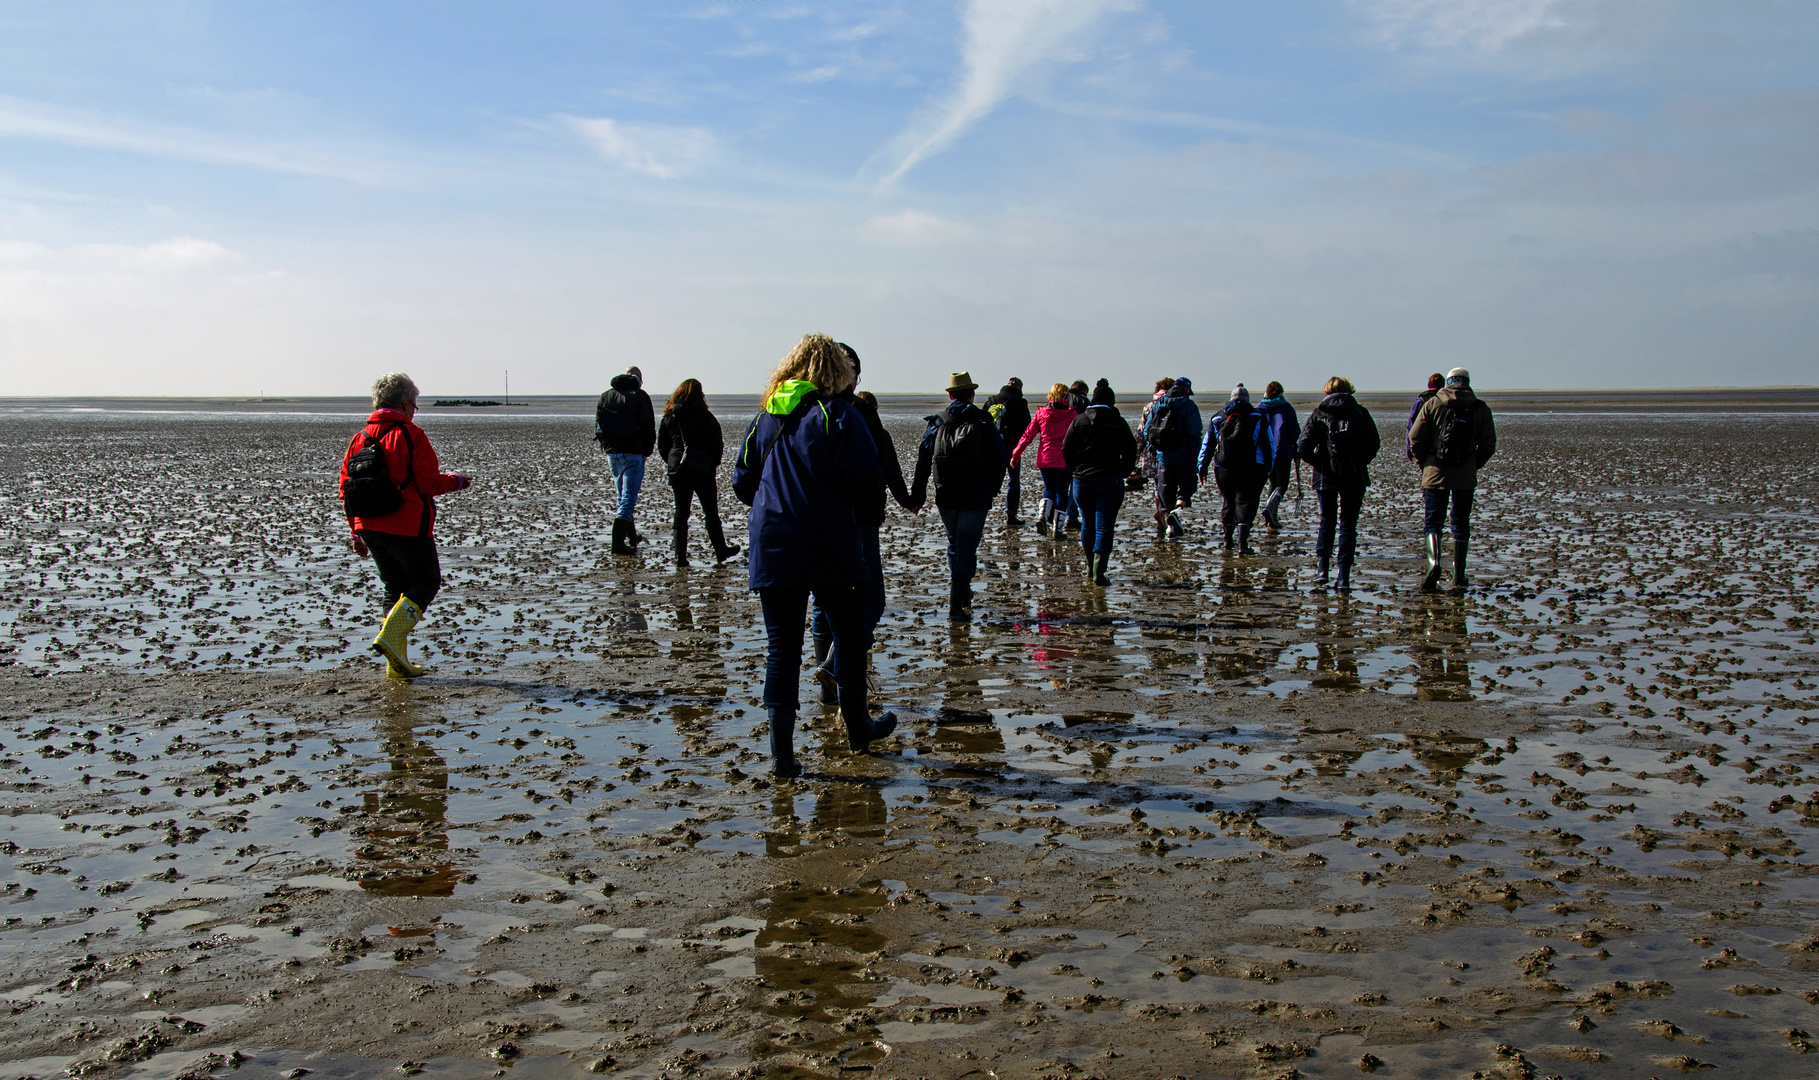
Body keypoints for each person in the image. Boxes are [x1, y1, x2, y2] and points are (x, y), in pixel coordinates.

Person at [732, 333, 895, 778]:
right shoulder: (838, 413)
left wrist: (777, 505)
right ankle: (858, 729)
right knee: (847, 634)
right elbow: (865, 479)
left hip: (774, 541)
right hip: (828, 541)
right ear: (837, 371)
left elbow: (743, 481)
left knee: (782, 648)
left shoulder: (768, 414)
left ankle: (782, 757)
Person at [339, 373, 473, 678]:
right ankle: (391, 640)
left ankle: (395, 661)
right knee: (426, 582)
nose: (415, 409)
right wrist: (457, 481)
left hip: (370, 527)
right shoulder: (412, 435)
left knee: (395, 588)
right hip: (407, 525)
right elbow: (427, 483)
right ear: (403, 403)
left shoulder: (359, 438)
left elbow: (346, 488)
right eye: (414, 403)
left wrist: (355, 530)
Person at [810, 346, 914, 704]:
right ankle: (834, 665)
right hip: (856, 522)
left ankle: (829, 692)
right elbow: (876, 471)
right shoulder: (860, 414)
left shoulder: (804, 409)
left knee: (823, 604)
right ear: (850, 375)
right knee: (871, 600)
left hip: (815, 522)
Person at [909, 371, 1011, 622]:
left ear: (951, 394)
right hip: (976, 496)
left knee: (955, 545)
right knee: (967, 548)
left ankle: (962, 595)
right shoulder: (983, 420)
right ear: (972, 394)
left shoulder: (937, 421)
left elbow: (923, 459)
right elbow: (1000, 458)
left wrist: (917, 496)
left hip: (946, 495)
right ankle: (956, 607)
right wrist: (993, 488)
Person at [1407, 367, 1497, 594]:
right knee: (1460, 522)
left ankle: (1434, 565)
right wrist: (1474, 463)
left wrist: (1423, 463)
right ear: (1467, 382)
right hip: (1465, 475)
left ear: (1448, 382)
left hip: (1435, 472)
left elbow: (1415, 437)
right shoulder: (1480, 408)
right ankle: (1459, 574)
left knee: (1433, 522)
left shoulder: (1433, 404)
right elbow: (1488, 444)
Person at [1296, 377, 1381, 590]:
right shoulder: (1360, 413)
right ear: (1348, 391)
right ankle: (1344, 576)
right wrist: (1360, 460)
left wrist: (1318, 463)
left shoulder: (1319, 414)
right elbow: (1373, 444)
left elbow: (1303, 447)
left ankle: (1322, 570)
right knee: (1348, 525)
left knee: (1327, 521)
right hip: (1354, 475)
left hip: (1326, 476)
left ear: (1327, 391)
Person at [657, 378, 741, 568]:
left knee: (680, 514)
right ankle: (721, 550)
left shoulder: (669, 417)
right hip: (702, 469)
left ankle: (680, 557)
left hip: (678, 470)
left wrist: (672, 463)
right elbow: (716, 443)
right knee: (711, 513)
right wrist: (713, 464)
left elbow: (662, 446)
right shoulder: (704, 416)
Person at [1062, 379, 1138, 586]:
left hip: (1082, 481)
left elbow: (1066, 449)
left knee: (1087, 523)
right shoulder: (1117, 421)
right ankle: (1098, 572)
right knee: (1104, 526)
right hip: (1110, 480)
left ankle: (1090, 567)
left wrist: (1074, 470)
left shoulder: (1079, 420)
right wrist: (1124, 471)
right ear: (1111, 402)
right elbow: (1131, 450)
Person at [1198, 383, 1270, 554]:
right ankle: (1243, 543)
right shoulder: (1258, 417)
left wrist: (1202, 468)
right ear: (1248, 399)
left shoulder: (1218, 418)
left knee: (1228, 501)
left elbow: (1207, 445)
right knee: (1246, 501)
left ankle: (1227, 540)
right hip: (1251, 467)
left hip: (1223, 468)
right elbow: (1268, 445)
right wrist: (1268, 467)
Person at [595, 366, 657, 555]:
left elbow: (599, 426)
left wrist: (606, 447)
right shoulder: (640, 396)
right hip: (633, 453)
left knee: (622, 497)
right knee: (628, 499)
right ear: (638, 379)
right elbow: (649, 426)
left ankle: (631, 536)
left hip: (613, 454)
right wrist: (647, 451)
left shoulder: (606, 395)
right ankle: (618, 544)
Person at [1010, 383, 1080, 537]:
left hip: (1046, 458)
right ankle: (1057, 529)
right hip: (1063, 459)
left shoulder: (1041, 413)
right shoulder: (1071, 414)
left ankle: (1042, 516)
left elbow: (1028, 435)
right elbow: (1076, 439)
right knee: (1062, 493)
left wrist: (1016, 454)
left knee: (1049, 489)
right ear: (1065, 397)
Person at [1141, 377, 1203, 540]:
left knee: (1165, 492)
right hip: (1184, 457)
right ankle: (1178, 512)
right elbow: (1195, 434)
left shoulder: (1159, 405)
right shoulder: (1189, 406)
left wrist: (1155, 451)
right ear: (1187, 390)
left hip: (1164, 458)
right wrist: (1195, 455)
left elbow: (1147, 430)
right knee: (1187, 488)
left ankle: (1170, 527)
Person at [985, 378, 1032, 528]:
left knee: (989, 480)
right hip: (1012, 449)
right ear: (1019, 388)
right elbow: (1027, 426)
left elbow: (983, 422)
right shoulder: (1021, 403)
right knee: (1013, 480)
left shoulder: (992, 401)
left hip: (993, 448)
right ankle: (1011, 515)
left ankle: (983, 510)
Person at [1257, 381, 1301, 534]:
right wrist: (1296, 451)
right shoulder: (1286, 407)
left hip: (1265, 453)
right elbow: (1294, 431)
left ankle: (1272, 518)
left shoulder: (1259, 408)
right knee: (1281, 485)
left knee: (1273, 483)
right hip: (1282, 451)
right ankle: (1271, 511)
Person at [1406, 373, 1445, 460]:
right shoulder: (1447, 401)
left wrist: (1409, 448)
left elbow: (1411, 425)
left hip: (1424, 446)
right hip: (1443, 447)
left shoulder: (1421, 402)